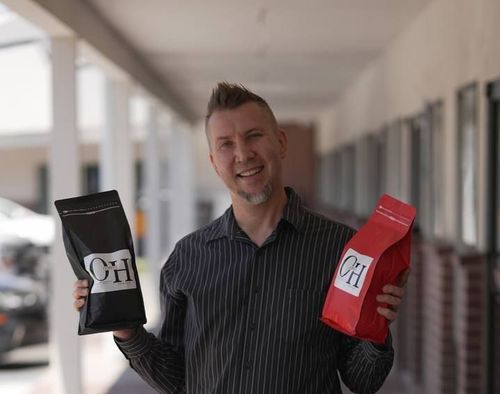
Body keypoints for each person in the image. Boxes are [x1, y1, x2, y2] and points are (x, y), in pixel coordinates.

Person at [73, 82, 408, 393]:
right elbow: (177, 378)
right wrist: (124, 328)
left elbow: (362, 380)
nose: (243, 154)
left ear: (280, 142)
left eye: (253, 136)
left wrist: (376, 331)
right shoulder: (186, 258)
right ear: (215, 163)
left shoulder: (340, 249)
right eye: (226, 145)